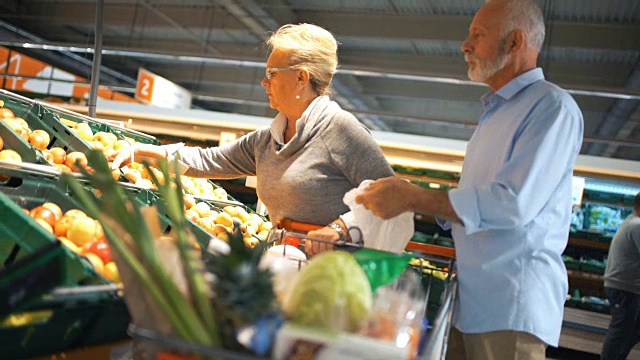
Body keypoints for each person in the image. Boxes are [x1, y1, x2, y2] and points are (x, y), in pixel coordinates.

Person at [314, 0, 584, 358]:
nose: (465, 45)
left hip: (510, 307)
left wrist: (414, 197)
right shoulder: (495, 113)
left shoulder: (551, 107)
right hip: (471, 302)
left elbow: (511, 204)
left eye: (478, 35)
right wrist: (405, 202)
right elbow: (474, 202)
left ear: (515, 42)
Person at [110, 23, 394, 226]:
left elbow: (394, 200)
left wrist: (340, 231)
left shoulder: (341, 132)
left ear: (301, 78)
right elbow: (209, 160)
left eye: (272, 73)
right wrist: (140, 150)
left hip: (335, 280)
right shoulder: (267, 142)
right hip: (286, 267)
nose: (264, 82)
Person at [601, 192, 640, 360]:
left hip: (625, 287)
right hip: (625, 288)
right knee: (620, 334)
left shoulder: (631, 222)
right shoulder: (637, 225)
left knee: (629, 332)